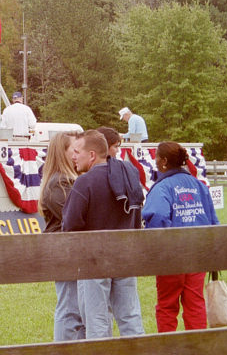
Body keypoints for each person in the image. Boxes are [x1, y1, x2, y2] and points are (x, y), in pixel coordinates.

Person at [62, 130, 145, 339]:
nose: (73, 156)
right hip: (125, 254)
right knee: (130, 317)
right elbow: (137, 214)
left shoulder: (85, 182)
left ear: (91, 155)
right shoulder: (128, 174)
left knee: (96, 319)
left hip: (93, 260)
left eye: (77, 151)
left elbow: (70, 225)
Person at [142, 141, 219, 333]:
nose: (155, 161)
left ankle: (170, 349)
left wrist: (163, 246)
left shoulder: (161, 187)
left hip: (172, 257)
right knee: (195, 304)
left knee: (167, 306)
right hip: (197, 255)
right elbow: (212, 220)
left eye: (157, 157)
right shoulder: (198, 185)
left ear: (164, 161)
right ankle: (198, 348)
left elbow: (157, 217)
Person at [38, 132, 84, 341]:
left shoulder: (71, 180)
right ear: (62, 153)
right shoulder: (59, 183)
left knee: (79, 309)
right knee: (69, 308)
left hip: (74, 251)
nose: (78, 155)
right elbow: (72, 218)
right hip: (65, 252)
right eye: (75, 150)